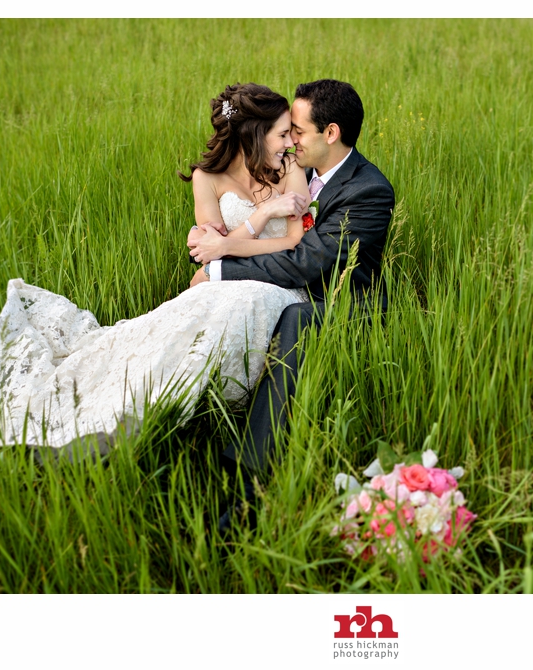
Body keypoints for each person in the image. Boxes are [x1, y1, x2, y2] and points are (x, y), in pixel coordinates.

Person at [0, 83, 314, 457]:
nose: (289, 143)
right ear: (254, 134)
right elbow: (209, 257)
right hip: (220, 281)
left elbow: (293, 243)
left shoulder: (289, 168)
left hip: (276, 283)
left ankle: (195, 400)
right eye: (282, 134)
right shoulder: (207, 178)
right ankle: (133, 401)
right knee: (176, 322)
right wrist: (262, 215)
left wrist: (229, 246)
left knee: (237, 299)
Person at [188, 79, 395, 533]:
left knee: (297, 318)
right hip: (276, 286)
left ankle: (249, 486)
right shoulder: (284, 165)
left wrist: (220, 269)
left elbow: (309, 261)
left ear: (331, 133)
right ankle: (191, 424)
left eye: (297, 131)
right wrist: (208, 247)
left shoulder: (369, 191)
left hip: (341, 305)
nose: (290, 140)